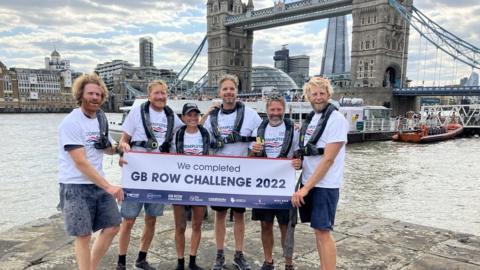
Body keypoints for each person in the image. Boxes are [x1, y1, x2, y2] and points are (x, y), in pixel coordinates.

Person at [58, 73, 123, 270]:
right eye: (90, 93)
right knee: (84, 235)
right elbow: (80, 162)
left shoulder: (101, 120)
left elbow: (105, 147)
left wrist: (120, 150)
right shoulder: (71, 122)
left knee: (112, 226)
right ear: (80, 95)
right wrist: (109, 187)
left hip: (97, 183)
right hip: (75, 185)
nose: (95, 97)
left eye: (98, 94)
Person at [116, 80, 183, 270]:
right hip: (137, 173)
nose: (161, 96)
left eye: (163, 93)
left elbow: (189, 130)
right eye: (157, 93)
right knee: (128, 220)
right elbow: (123, 140)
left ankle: (141, 259)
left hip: (158, 176)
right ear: (149, 95)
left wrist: (207, 115)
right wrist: (123, 150)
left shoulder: (172, 117)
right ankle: (121, 262)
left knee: (151, 219)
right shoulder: (136, 112)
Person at [203, 74, 262, 270]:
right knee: (219, 216)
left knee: (239, 215)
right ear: (220, 92)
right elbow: (199, 138)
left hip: (240, 174)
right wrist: (205, 114)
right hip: (219, 174)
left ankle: (238, 254)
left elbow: (259, 140)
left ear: (237, 91)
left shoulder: (251, 115)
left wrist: (253, 156)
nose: (229, 92)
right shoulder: (213, 116)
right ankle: (219, 254)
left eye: (232, 89)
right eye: (225, 89)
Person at [291, 77, 349, 270]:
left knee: (324, 232)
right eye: (314, 94)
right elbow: (311, 152)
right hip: (310, 183)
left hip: (325, 185)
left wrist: (305, 189)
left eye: (321, 93)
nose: (318, 97)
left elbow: (328, 159)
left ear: (328, 95)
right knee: (318, 231)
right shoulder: (313, 118)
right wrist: (300, 163)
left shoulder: (336, 119)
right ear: (308, 96)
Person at [249, 93, 299, 270]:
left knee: (286, 226)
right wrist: (253, 151)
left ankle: (288, 263)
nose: (275, 113)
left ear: (284, 110)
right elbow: (250, 160)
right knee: (265, 225)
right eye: (272, 109)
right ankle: (268, 260)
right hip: (263, 187)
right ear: (267, 110)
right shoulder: (259, 130)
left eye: (279, 109)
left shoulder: (293, 130)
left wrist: (298, 163)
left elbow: (299, 158)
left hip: (285, 187)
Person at [172, 103, 210, 270]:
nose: (193, 118)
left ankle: (192, 260)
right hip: (180, 185)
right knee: (180, 226)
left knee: (196, 224)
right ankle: (180, 261)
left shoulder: (205, 134)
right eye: (189, 115)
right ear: (183, 118)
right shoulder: (177, 135)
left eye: (196, 115)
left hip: (200, 185)